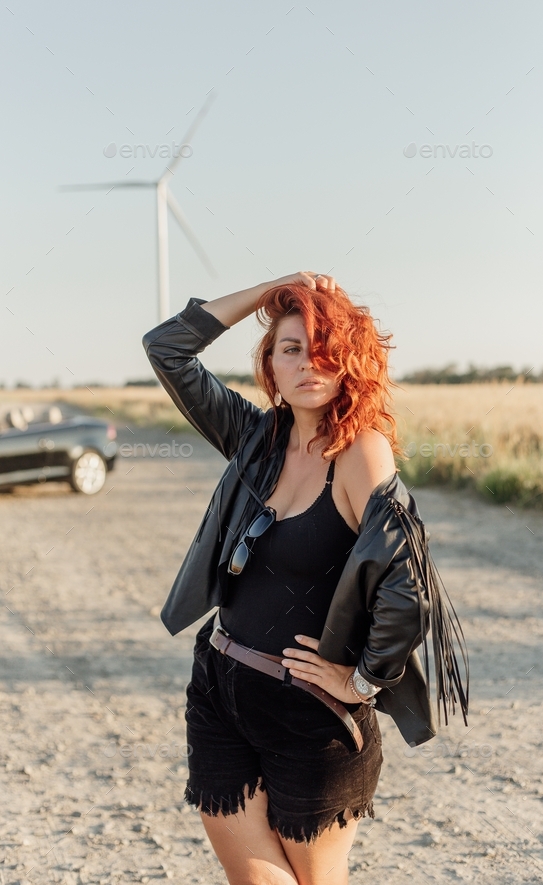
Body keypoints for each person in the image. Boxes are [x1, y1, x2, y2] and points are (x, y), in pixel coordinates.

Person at [142, 271, 468, 885]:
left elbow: (408, 583)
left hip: (313, 716)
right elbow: (167, 348)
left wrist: (364, 679)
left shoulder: (360, 451)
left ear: (351, 361)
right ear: (270, 361)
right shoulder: (254, 439)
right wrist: (273, 291)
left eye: (326, 349)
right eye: (291, 347)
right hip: (219, 688)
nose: (309, 363)